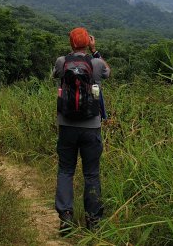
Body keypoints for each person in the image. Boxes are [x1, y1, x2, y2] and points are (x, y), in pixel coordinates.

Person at [53, 27, 111, 235]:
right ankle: (93, 221)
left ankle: (66, 218)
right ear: (88, 42)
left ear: (71, 43)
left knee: (66, 170)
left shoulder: (62, 62)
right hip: (91, 127)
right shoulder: (95, 63)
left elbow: (55, 75)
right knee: (92, 174)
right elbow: (108, 72)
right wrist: (95, 51)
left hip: (67, 125)